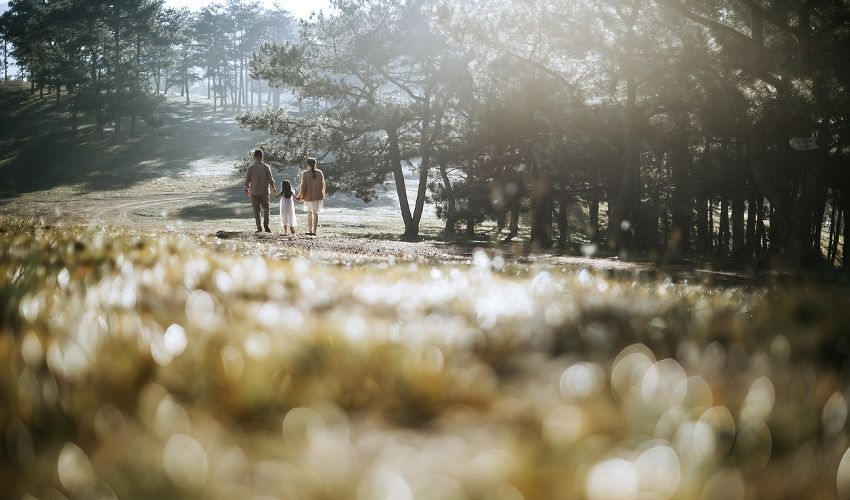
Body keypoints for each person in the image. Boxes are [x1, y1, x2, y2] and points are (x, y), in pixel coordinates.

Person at [244, 149, 276, 233]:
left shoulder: (250, 167)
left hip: (254, 192)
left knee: (256, 210)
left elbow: (247, 180)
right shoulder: (266, 167)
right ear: (262, 157)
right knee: (266, 207)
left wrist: (246, 189)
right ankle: (266, 224)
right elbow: (270, 179)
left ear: (254, 157)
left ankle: (259, 228)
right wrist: (273, 188)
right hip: (265, 191)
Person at [296, 157, 325, 236]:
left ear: (308, 164)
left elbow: (303, 186)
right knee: (315, 213)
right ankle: (314, 231)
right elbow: (322, 185)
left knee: (309, 213)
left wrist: (300, 196)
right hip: (317, 196)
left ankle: (310, 230)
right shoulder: (320, 173)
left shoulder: (305, 173)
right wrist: (321, 194)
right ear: (315, 164)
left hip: (308, 196)